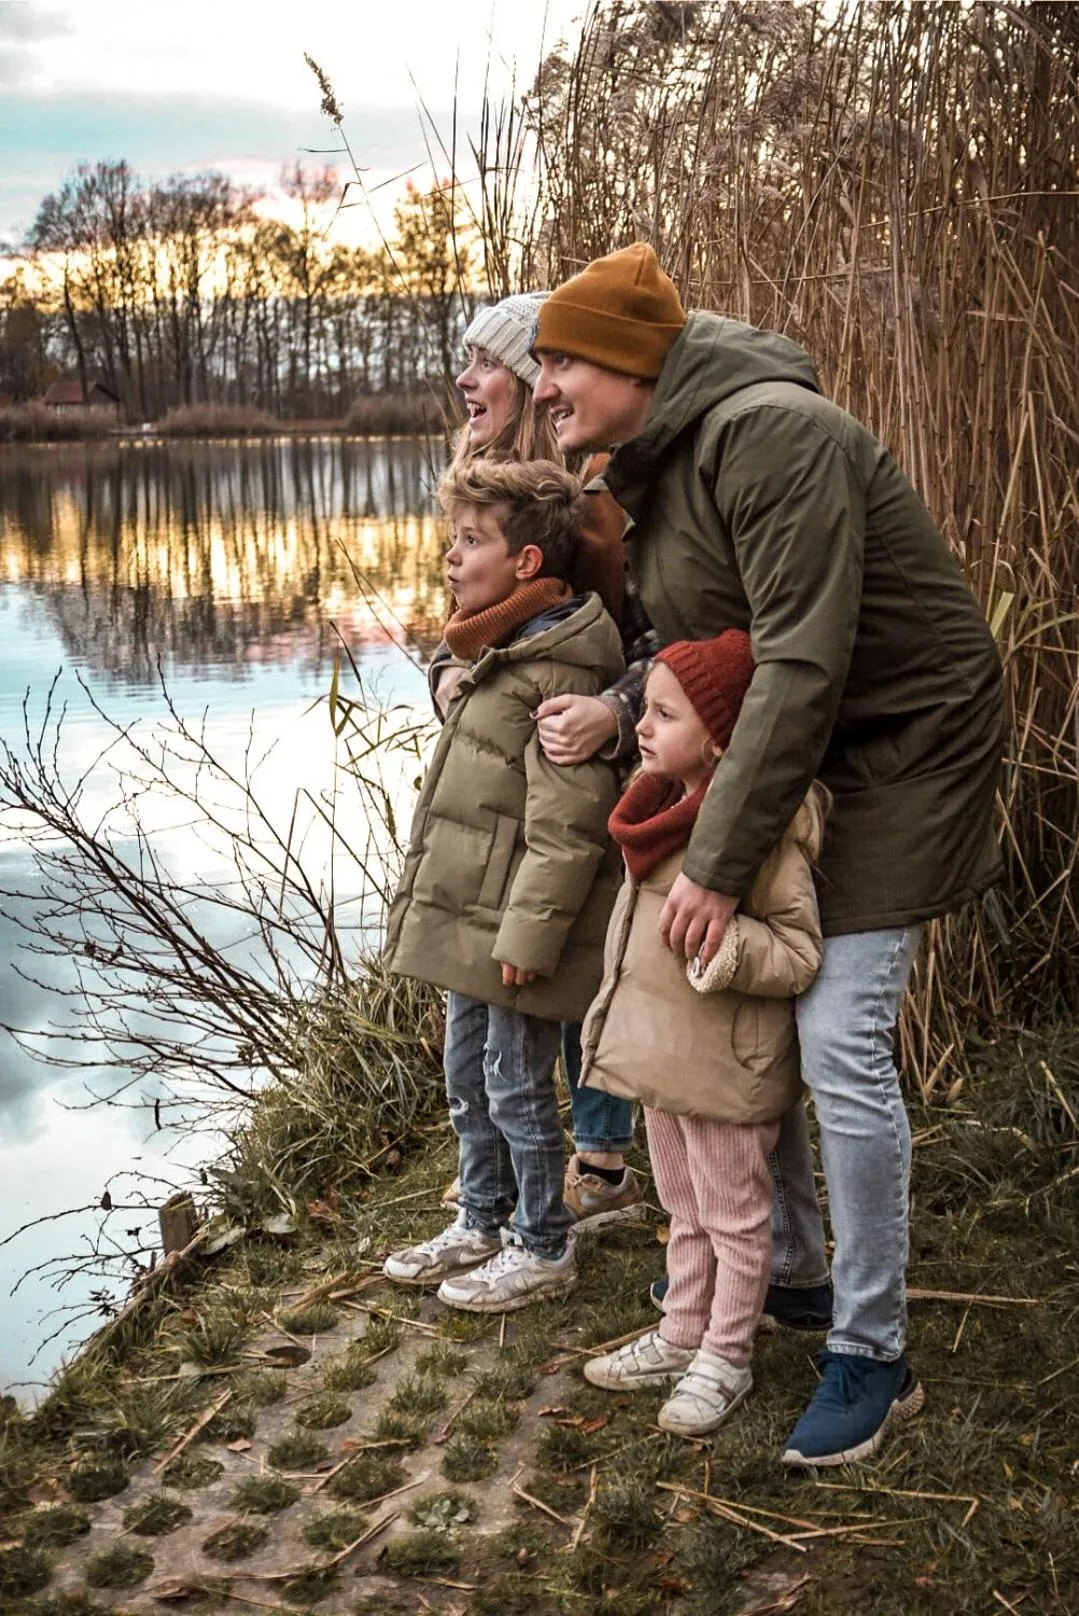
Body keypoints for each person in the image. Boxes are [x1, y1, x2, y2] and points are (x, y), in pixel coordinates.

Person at [532, 243, 1005, 1466]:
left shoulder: (771, 433)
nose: (541, 385)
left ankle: (870, 1347)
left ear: (635, 361)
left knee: (838, 1031)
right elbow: (707, 657)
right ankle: (786, 1269)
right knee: (744, 1002)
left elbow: (799, 659)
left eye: (561, 357)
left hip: (898, 746)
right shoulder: (652, 466)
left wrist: (716, 862)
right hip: (786, 745)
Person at [381, 459, 623, 1311]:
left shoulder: (553, 670)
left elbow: (566, 830)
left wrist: (526, 940)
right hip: (469, 921)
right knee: (467, 1076)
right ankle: (480, 1218)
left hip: (515, 931)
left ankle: (542, 1242)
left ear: (525, 563)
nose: (450, 558)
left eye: (470, 541)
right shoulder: (497, 649)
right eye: (453, 539)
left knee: (518, 1087)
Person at [580, 632, 832, 1437]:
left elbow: (796, 952)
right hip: (664, 1058)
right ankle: (682, 1329)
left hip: (725, 1066)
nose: (640, 727)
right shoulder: (657, 810)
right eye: (643, 710)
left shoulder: (757, 832)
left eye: (661, 713)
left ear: (720, 734)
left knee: (733, 1214)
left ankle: (726, 1354)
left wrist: (726, 948)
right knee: (682, 1207)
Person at [436, 294, 649, 1230]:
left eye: (484, 362)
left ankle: (599, 1156)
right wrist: (444, 673)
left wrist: (614, 711)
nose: (464, 379)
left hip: (591, 747)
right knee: (524, 950)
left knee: (579, 932)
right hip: (504, 753)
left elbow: (627, 634)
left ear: (528, 380)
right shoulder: (481, 481)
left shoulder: (591, 498)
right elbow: (466, 629)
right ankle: (520, 1169)